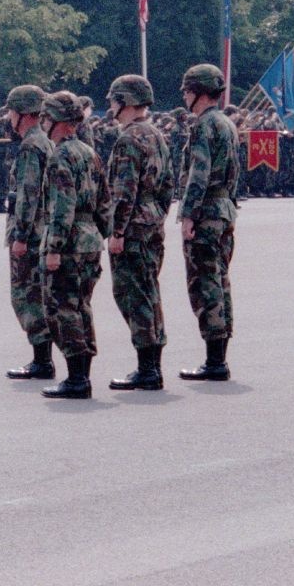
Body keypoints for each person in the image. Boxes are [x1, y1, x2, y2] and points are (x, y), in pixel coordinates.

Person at [101, 75, 173, 391]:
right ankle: (151, 365)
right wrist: (157, 215)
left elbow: (124, 190)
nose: (111, 107)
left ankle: (148, 369)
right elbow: (168, 184)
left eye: (114, 100)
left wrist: (116, 231)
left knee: (134, 294)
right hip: (150, 223)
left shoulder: (129, 139)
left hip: (131, 227)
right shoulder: (156, 135)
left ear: (126, 102)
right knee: (148, 292)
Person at [38, 90, 105, 399]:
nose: (42, 123)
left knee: (64, 309)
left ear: (61, 122)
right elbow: (104, 201)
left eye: (46, 118)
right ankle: (81, 375)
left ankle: (77, 379)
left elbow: (62, 206)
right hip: (89, 238)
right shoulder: (90, 152)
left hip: (70, 242)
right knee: (82, 307)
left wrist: (54, 248)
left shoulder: (60, 156)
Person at [176, 64, 239, 381]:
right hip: (224, 208)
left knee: (205, 284)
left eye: (187, 90)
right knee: (221, 282)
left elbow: (198, 174)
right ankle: (219, 357)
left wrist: (189, 214)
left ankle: (214, 362)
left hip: (207, 212)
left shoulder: (203, 126)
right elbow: (234, 173)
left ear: (198, 92)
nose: (185, 96)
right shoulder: (226, 123)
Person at [2, 84, 56, 380]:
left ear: (21, 113)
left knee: (26, 295)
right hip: (42, 229)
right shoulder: (44, 142)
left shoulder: (30, 146)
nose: (9, 117)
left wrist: (20, 236)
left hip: (31, 233)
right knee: (36, 294)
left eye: (11, 111)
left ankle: (41, 361)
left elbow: (27, 195)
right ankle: (42, 358)